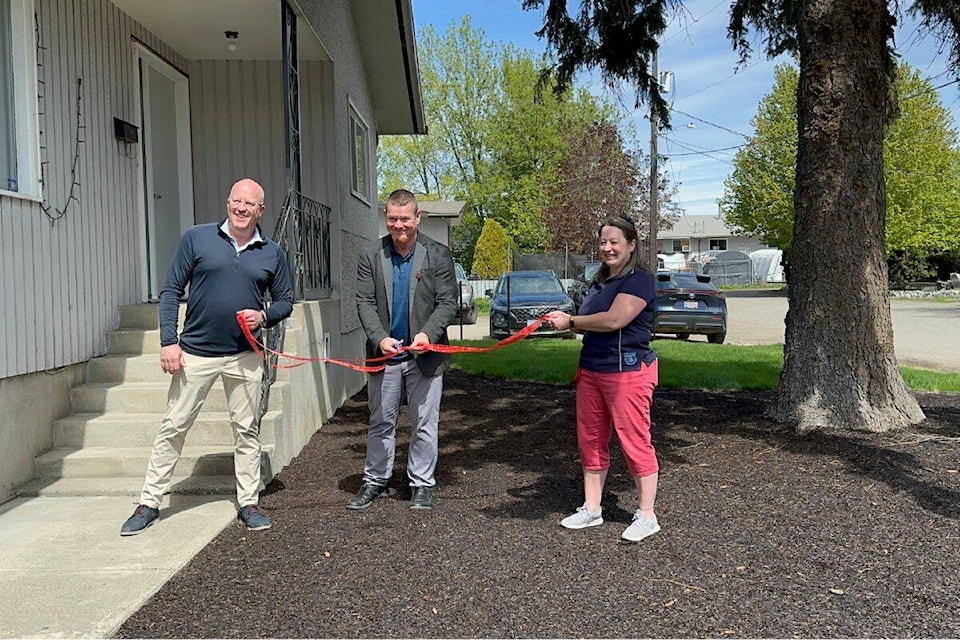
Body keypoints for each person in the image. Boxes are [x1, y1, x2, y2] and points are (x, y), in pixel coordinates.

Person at [121, 178, 294, 536]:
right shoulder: (197, 238)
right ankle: (149, 503)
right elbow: (170, 290)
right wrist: (169, 341)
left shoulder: (272, 253)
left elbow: (284, 302)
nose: (242, 208)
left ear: (261, 210)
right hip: (195, 352)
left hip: (245, 355)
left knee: (246, 431)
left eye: (250, 204)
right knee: (174, 427)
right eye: (237, 201)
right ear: (227, 202)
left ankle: (249, 502)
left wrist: (263, 316)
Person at [544, 215, 660, 543]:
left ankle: (647, 515)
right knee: (591, 440)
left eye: (614, 242)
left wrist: (572, 321)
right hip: (592, 369)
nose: (607, 248)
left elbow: (614, 320)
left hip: (628, 372)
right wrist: (567, 321)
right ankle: (592, 508)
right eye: (603, 242)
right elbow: (590, 322)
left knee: (634, 440)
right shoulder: (599, 280)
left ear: (632, 245)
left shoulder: (639, 280)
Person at [349, 189, 458, 511]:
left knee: (425, 422)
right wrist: (379, 337)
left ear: (417, 217)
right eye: (393, 219)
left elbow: (447, 302)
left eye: (405, 219)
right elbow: (364, 302)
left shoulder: (438, 254)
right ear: (386, 218)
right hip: (385, 354)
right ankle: (375, 481)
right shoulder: (370, 254)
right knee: (381, 421)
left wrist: (427, 333)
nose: (399, 226)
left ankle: (421, 484)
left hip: (425, 355)